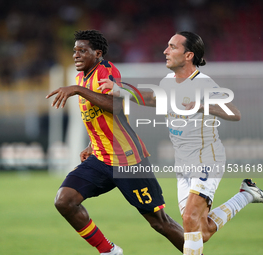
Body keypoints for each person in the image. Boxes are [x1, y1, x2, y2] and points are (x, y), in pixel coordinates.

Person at [97, 31, 263, 255]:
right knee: (198, 231)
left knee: (189, 217)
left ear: (188, 55)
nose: (165, 51)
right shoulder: (167, 81)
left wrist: (204, 106)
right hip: (182, 162)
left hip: (207, 157)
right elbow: (154, 98)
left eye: (172, 47)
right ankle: (246, 195)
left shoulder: (204, 83)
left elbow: (235, 113)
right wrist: (121, 89)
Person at [46, 29, 185, 255]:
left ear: (97, 53)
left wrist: (77, 90)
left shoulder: (105, 71)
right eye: (74, 51)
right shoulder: (81, 76)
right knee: (65, 200)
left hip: (127, 160)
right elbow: (99, 117)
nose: (76, 55)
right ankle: (109, 251)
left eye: (82, 51)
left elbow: (118, 106)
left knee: (160, 222)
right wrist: (92, 145)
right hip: (101, 158)